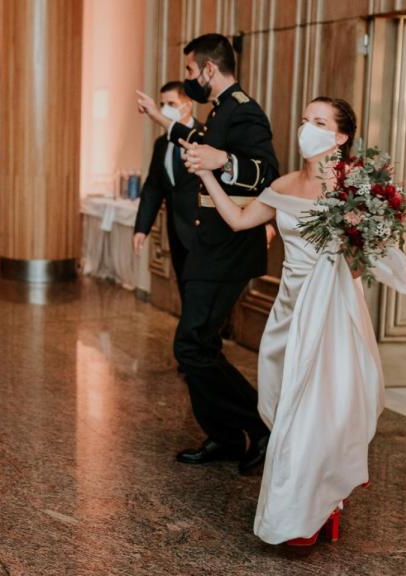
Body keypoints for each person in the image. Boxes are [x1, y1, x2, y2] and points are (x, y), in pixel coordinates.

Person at [190, 97, 392, 546]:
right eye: (304, 120)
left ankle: (306, 510)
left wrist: (357, 234)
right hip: (288, 305)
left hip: (330, 308)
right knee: (284, 405)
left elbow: (360, 266)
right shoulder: (283, 183)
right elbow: (241, 220)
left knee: (318, 408)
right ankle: (316, 500)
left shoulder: (353, 189)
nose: (307, 128)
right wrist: (207, 176)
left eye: (319, 122)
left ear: (340, 136)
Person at [136, 33, 279, 472]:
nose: (188, 80)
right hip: (210, 244)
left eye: (190, 72)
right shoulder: (220, 110)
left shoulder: (245, 111)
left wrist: (224, 162)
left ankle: (259, 427)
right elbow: (197, 140)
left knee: (192, 345)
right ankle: (225, 435)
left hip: (231, 249)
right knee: (202, 344)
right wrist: (163, 122)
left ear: (209, 70)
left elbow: (265, 171)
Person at [133, 81, 198, 299]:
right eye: (162, 104)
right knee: (185, 290)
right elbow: (153, 188)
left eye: (171, 103)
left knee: (201, 294)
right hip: (176, 231)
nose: (165, 109)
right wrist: (142, 228)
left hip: (203, 231)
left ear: (187, 105)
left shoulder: (204, 137)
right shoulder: (161, 143)